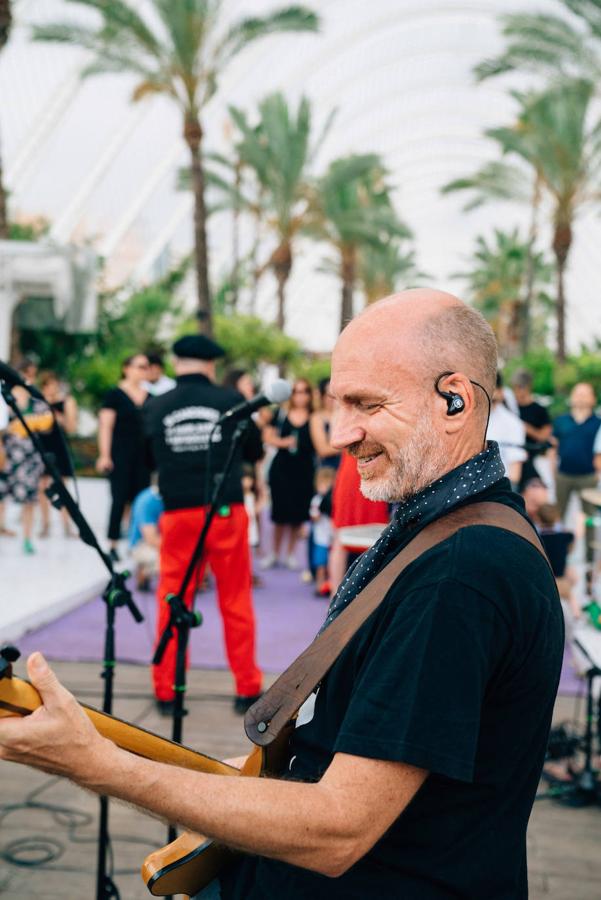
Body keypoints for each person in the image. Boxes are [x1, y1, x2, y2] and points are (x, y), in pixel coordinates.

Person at [0, 289, 564, 900]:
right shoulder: (444, 530)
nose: (341, 433)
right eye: (336, 404)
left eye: (366, 404)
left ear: (453, 399)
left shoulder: (462, 571)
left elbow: (339, 828)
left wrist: (99, 764)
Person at [144, 335, 263, 715]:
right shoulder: (230, 401)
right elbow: (255, 450)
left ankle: (167, 692)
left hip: (178, 512)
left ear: (176, 362)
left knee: (173, 598)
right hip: (225, 510)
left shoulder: (156, 405)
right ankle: (246, 689)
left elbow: (145, 455)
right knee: (235, 599)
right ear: (210, 365)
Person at [96, 354, 151, 558]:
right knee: (118, 499)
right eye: (139, 366)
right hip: (120, 455)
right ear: (126, 368)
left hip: (143, 457)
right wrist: (104, 455)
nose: (143, 371)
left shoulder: (150, 396)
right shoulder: (115, 395)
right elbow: (106, 426)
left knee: (141, 500)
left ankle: (137, 542)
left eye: (146, 367)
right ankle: (112, 544)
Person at [262, 378, 316, 570]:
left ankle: (291, 553)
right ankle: (274, 553)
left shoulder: (314, 416)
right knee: (279, 514)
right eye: (296, 391)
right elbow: (267, 436)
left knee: (297, 514)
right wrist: (284, 443)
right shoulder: (281, 413)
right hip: (282, 468)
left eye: (304, 391)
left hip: (303, 470)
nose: (300, 396)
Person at [552, 382, 601, 584]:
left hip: (588, 476)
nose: (580, 397)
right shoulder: (561, 421)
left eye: (584, 394)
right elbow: (553, 447)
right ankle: (556, 557)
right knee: (557, 516)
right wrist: (553, 471)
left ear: (592, 399)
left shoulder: (597, 423)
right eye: (577, 393)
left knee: (590, 519)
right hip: (563, 474)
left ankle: (590, 562)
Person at [0, 376, 53, 554]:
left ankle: (27, 538)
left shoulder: (36, 403)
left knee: (29, 499)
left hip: (30, 457)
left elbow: (48, 424)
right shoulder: (4, 399)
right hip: (7, 455)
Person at [37, 371, 78, 537]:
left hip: (60, 446)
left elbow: (72, 428)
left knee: (62, 486)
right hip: (42, 446)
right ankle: (45, 524)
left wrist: (59, 417)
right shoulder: (38, 401)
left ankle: (66, 525)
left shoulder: (66, 401)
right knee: (42, 487)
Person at [511, 368, 552, 490]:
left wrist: (523, 427)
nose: (518, 392)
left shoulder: (540, 410)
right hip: (512, 460)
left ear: (529, 387)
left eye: (521, 387)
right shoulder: (510, 407)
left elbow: (544, 436)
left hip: (532, 461)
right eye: (516, 387)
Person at [486, 372, 527, 489]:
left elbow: (514, 474)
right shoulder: (466, 417)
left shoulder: (513, 424)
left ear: (499, 392)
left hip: (497, 489)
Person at [128, 483, 164, 591]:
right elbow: (151, 538)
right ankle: (144, 570)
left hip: (161, 539)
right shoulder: (147, 500)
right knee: (172, 561)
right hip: (141, 543)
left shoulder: (171, 497)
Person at [309, 467, 335, 596]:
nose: (324, 487)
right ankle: (319, 585)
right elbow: (314, 516)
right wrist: (321, 510)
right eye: (321, 484)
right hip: (320, 538)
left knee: (332, 564)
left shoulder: (334, 499)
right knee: (320, 564)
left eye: (327, 485)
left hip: (332, 537)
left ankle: (330, 585)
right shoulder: (316, 500)